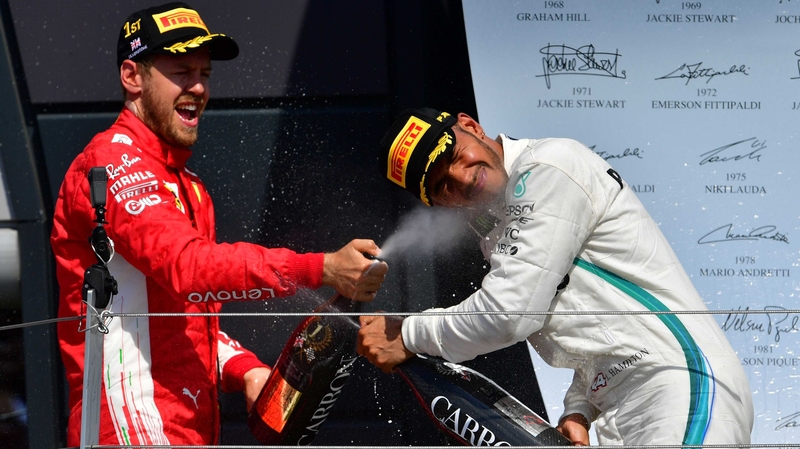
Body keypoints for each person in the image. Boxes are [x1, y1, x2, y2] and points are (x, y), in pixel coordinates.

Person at [51, 3, 388, 446]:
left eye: (205, 74)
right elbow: (189, 268)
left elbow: (187, 321)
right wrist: (320, 268)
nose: (197, 87)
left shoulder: (188, 185)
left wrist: (244, 370)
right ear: (132, 76)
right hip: (129, 425)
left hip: (186, 427)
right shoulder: (111, 161)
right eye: (181, 72)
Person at [357, 108, 753, 446]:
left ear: (471, 125)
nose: (461, 178)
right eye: (442, 185)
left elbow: (508, 314)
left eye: (455, 155)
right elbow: (600, 324)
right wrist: (581, 407)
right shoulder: (500, 221)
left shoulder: (547, 168)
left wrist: (407, 334)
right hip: (632, 406)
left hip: (679, 389)